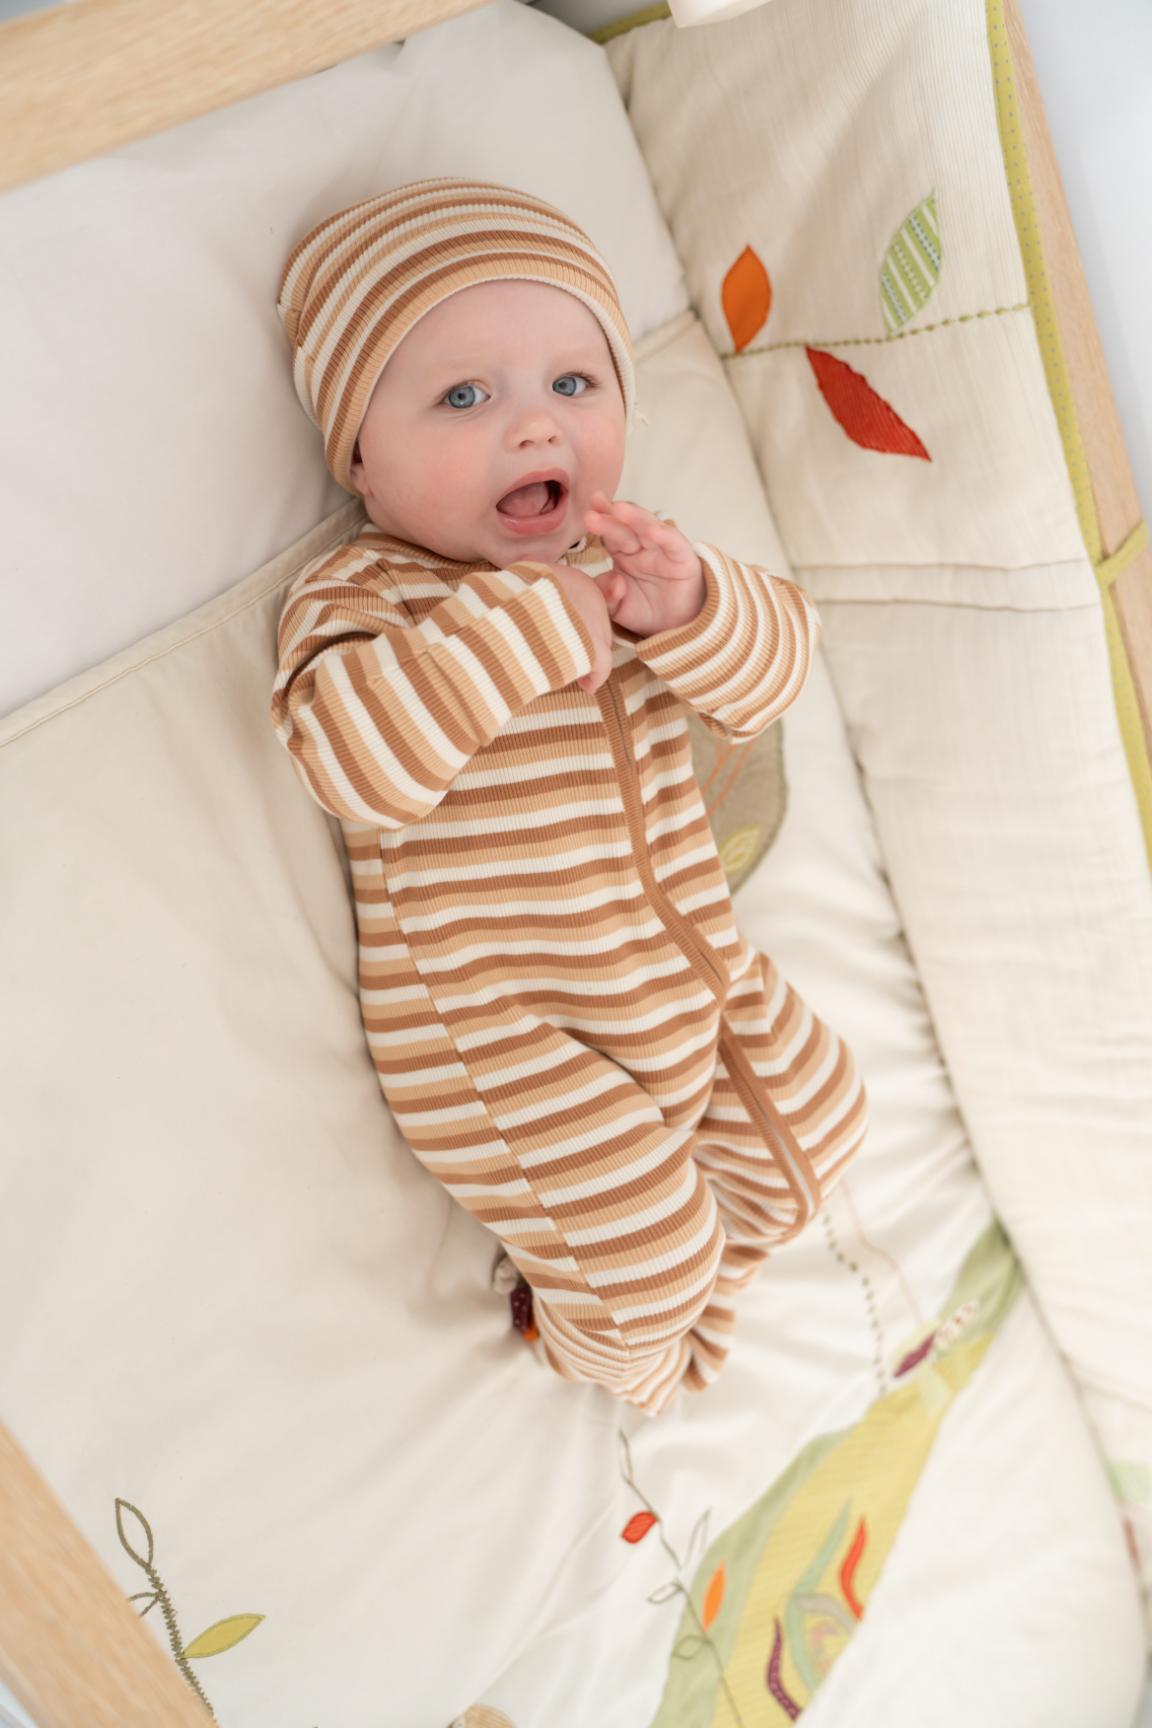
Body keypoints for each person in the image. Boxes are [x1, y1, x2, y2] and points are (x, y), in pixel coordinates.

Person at [270, 178, 869, 1417]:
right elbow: (355, 762)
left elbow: (774, 678)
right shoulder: (368, 599)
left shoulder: (629, 563)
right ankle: (620, 1352)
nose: (536, 426)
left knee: (821, 1117)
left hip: (695, 976)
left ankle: (696, 1300)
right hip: (511, 1036)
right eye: (465, 397)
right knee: (645, 1251)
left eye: (574, 383)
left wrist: (694, 607)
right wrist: (523, 628)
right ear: (361, 458)